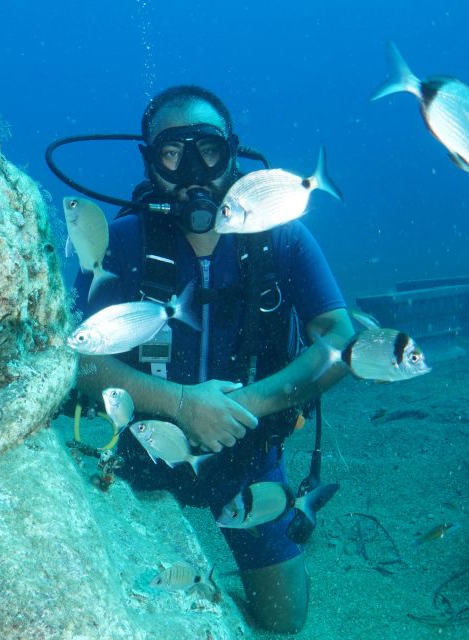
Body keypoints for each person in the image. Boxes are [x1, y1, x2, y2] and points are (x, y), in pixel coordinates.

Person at [72, 86, 354, 633]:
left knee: (285, 619)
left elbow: (340, 342)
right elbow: (82, 361)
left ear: (233, 153)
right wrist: (182, 404)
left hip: (247, 453)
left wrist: (246, 404)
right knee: (112, 600)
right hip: (141, 447)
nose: (193, 171)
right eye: (172, 155)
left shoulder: (282, 239)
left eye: (209, 151)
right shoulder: (121, 241)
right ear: (150, 162)